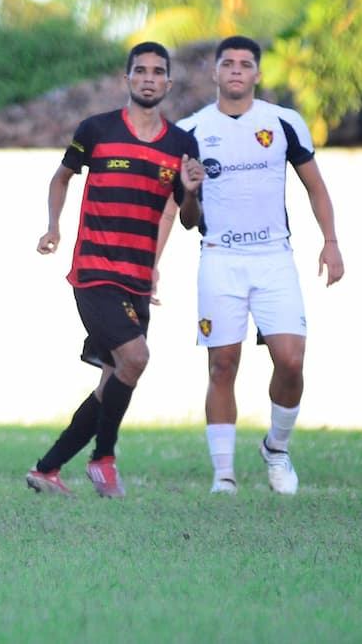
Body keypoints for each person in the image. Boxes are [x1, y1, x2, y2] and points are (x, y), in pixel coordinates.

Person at [26, 41, 205, 498]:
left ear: (168, 82)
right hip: (94, 272)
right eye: (140, 70)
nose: (149, 77)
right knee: (137, 358)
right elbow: (61, 176)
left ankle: (47, 469)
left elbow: (187, 219)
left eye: (158, 71)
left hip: (138, 278)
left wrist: (189, 192)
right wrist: (53, 227)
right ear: (126, 79)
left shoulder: (182, 143)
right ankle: (104, 459)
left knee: (112, 380)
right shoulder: (97, 129)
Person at [176, 35, 344, 496]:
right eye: (227, 64)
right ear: (214, 73)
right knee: (222, 364)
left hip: (274, 259)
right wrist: (189, 192)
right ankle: (224, 476)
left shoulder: (284, 123)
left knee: (291, 360)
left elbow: (316, 187)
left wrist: (330, 242)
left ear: (257, 74)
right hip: (220, 259)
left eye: (244, 64)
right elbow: (189, 220)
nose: (235, 71)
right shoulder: (189, 131)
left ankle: (276, 449)